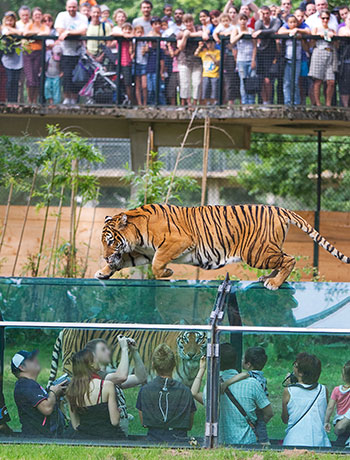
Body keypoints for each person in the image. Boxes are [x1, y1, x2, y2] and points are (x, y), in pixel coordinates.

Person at [192, 344, 273, 445]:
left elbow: (194, 393)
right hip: (248, 443)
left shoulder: (211, 387)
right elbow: (269, 413)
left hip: (220, 445)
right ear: (236, 360)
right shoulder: (252, 384)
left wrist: (202, 369)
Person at [85, 336, 147, 436]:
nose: (108, 351)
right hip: (110, 432)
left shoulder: (108, 376)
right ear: (93, 356)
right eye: (103, 349)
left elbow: (140, 378)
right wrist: (124, 349)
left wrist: (135, 352)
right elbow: (122, 376)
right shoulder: (97, 377)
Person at [136, 343, 196, 442]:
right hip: (180, 443)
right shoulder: (185, 391)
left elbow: (144, 422)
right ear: (174, 364)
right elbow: (189, 424)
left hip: (152, 442)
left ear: (153, 365)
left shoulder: (145, 390)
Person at [66, 349, 125, 440]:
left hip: (83, 439)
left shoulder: (71, 390)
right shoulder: (106, 385)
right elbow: (115, 421)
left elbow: (75, 425)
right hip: (107, 438)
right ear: (91, 364)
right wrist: (117, 412)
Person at [12, 349, 66, 437]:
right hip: (38, 438)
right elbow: (47, 409)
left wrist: (57, 393)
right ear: (22, 367)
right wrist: (53, 392)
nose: (36, 360)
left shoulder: (26, 384)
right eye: (31, 359)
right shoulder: (27, 385)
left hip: (36, 437)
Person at [220, 347, 269, 443]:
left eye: (243, 359)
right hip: (261, 407)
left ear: (248, 364)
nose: (241, 360)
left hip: (257, 410)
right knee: (262, 433)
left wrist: (226, 383)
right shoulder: (261, 377)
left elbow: (244, 375)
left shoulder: (251, 375)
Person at [282, 352, 331, 447]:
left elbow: (285, 419)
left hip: (294, 441)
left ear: (300, 373)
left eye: (295, 365)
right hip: (319, 441)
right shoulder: (323, 390)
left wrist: (291, 386)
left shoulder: (288, 391)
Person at [55, 0, 88, 105]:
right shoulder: (61, 15)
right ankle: (66, 99)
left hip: (78, 53)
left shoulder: (82, 17)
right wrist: (73, 33)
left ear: (77, 7)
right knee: (66, 76)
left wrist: (68, 32)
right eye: (69, 7)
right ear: (66, 7)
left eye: (74, 7)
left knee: (77, 77)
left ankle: (74, 100)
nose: (71, 9)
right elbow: (60, 30)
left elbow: (83, 31)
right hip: (65, 52)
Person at [308, 9, 337, 106]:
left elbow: (336, 45)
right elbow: (311, 44)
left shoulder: (332, 30)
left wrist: (334, 37)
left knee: (331, 81)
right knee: (318, 80)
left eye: (327, 18)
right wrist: (317, 36)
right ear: (320, 18)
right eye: (323, 18)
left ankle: (328, 104)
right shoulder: (316, 28)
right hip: (318, 53)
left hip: (330, 54)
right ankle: (318, 104)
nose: (325, 20)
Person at [278, 15, 309, 105]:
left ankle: (296, 103)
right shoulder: (285, 31)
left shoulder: (301, 31)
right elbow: (280, 32)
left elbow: (306, 47)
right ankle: (288, 103)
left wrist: (300, 37)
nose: (293, 24)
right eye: (290, 22)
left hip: (297, 60)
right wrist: (291, 31)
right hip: (287, 60)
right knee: (287, 82)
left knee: (295, 82)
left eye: (294, 22)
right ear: (287, 23)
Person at [253, 6, 281, 104]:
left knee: (269, 81)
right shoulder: (259, 22)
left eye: (267, 13)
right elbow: (256, 28)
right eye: (263, 13)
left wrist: (261, 32)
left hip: (272, 54)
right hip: (261, 54)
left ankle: (268, 101)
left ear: (270, 13)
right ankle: (264, 101)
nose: (265, 15)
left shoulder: (276, 21)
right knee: (261, 80)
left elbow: (274, 30)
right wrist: (260, 19)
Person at [22, 8, 50, 103]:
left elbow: (46, 33)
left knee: (37, 77)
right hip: (28, 53)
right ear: (32, 16)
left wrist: (33, 34)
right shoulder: (28, 25)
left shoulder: (44, 26)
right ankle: (30, 101)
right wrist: (37, 33)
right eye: (35, 15)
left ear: (41, 16)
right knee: (30, 78)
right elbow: (25, 33)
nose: (37, 16)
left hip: (39, 53)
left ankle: (35, 101)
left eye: (39, 14)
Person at [231, 13, 257, 104]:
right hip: (241, 60)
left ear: (247, 20)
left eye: (244, 19)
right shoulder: (236, 30)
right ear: (238, 20)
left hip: (250, 59)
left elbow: (254, 46)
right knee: (243, 81)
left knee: (252, 81)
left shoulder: (251, 30)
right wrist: (241, 34)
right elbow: (232, 41)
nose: (243, 21)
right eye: (241, 19)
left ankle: (251, 102)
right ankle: (245, 102)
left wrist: (253, 60)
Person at [177, 13, 203, 106]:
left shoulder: (198, 28)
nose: (189, 24)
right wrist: (185, 36)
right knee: (185, 83)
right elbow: (180, 47)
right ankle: (185, 104)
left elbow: (202, 34)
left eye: (190, 21)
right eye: (186, 22)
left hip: (197, 61)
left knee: (197, 83)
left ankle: (195, 103)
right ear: (184, 23)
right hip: (184, 61)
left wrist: (189, 35)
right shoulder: (180, 32)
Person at [324, 361, 350, 443]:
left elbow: (330, 407)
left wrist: (326, 421)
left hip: (339, 418)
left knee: (342, 437)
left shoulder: (336, 390)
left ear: (343, 376)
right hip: (348, 419)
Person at [1, 11, 23, 103]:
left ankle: (14, 102)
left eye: (11, 21)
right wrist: (9, 29)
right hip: (7, 59)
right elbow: (6, 33)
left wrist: (10, 28)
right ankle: (9, 101)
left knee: (15, 81)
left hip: (18, 59)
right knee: (9, 80)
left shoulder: (17, 27)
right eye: (7, 21)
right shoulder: (3, 29)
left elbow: (20, 32)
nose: (9, 22)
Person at [145, 17, 166, 105]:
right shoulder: (149, 49)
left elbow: (162, 61)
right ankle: (151, 105)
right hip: (149, 70)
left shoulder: (160, 49)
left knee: (159, 90)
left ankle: (162, 105)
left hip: (157, 71)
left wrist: (161, 72)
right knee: (150, 90)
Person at [134, 25, 148, 105]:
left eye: (141, 32)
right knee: (137, 86)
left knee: (144, 86)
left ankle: (145, 103)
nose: (139, 34)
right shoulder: (133, 41)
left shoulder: (145, 41)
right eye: (138, 32)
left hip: (144, 64)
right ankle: (139, 104)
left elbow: (146, 51)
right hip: (136, 64)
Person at [338, 14, 350, 107]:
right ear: (345, 20)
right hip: (345, 61)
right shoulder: (342, 29)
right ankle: (345, 107)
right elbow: (343, 34)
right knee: (344, 85)